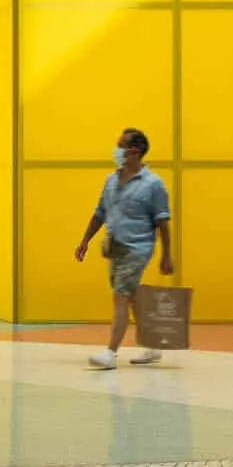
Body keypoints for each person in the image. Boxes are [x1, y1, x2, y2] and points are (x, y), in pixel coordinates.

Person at [74, 127, 174, 369]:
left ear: (135, 151)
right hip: (115, 248)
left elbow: (162, 221)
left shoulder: (153, 184)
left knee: (120, 296)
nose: (116, 150)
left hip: (138, 248)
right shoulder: (111, 180)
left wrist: (167, 256)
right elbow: (100, 213)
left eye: (120, 145)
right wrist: (85, 241)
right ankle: (152, 346)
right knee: (130, 297)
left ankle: (110, 353)